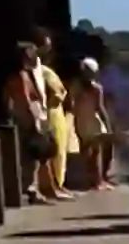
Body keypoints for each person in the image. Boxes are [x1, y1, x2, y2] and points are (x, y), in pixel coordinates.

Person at [6, 43, 63, 203]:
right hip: (27, 119)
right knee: (31, 158)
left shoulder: (20, 75)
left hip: (26, 118)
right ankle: (30, 190)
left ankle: (30, 190)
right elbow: (25, 100)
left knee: (31, 159)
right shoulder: (21, 77)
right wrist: (35, 122)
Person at [33, 30, 75, 196]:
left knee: (60, 151)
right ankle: (52, 186)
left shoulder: (45, 68)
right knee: (51, 150)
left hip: (57, 113)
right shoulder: (38, 70)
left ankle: (59, 184)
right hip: (49, 112)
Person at [71, 60, 115, 189]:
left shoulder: (76, 87)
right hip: (92, 121)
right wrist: (107, 124)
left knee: (87, 151)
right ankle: (97, 181)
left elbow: (71, 104)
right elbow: (100, 108)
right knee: (95, 152)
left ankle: (91, 180)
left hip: (81, 120)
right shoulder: (96, 88)